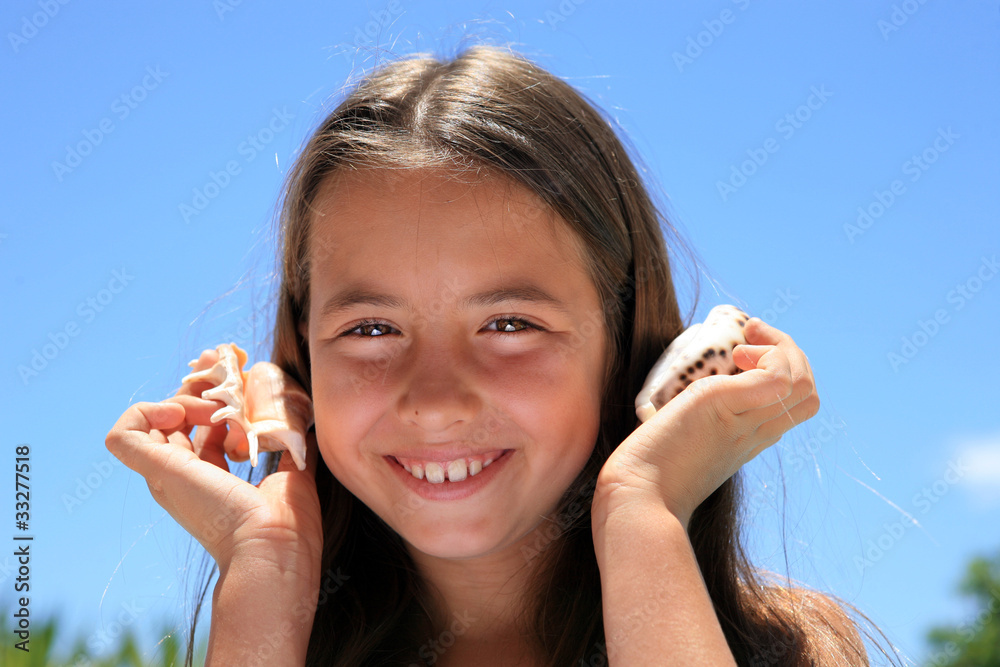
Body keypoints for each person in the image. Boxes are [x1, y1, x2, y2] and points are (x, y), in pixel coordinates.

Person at [107, 45, 886, 666]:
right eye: (372, 329)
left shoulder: (791, 649)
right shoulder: (264, 630)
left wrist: (643, 518)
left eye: (510, 323)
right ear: (303, 363)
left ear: (625, 343)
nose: (436, 399)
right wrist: (265, 579)